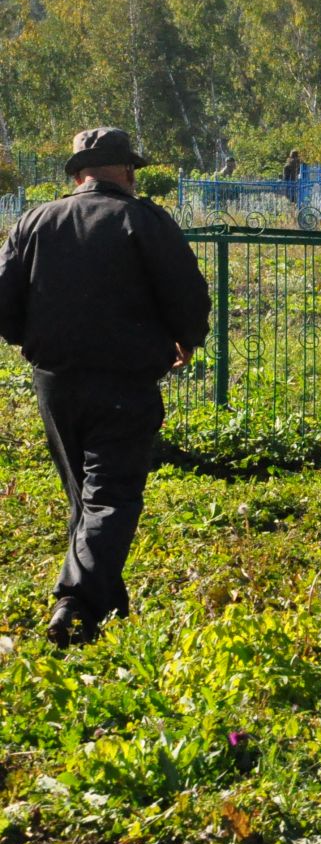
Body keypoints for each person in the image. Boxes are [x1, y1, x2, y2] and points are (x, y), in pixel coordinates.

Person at [0, 128, 211, 647]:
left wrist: (31, 340)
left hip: (55, 382)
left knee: (85, 496)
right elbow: (188, 292)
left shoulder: (34, 221)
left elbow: (2, 300)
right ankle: (76, 603)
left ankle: (107, 606)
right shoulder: (145, 221)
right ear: (128, 173)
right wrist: (186, 339)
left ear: (78, 174)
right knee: (110, 496)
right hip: (124, 381)